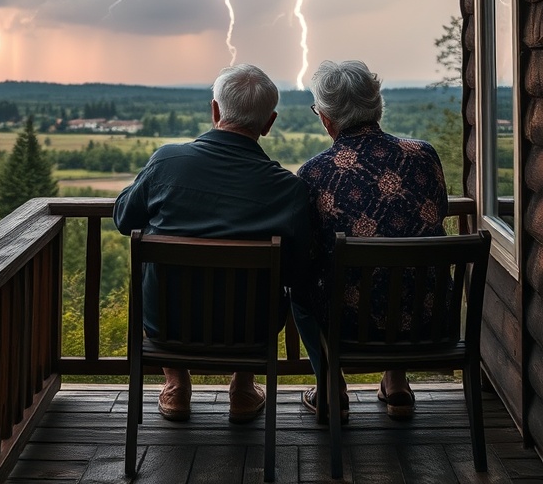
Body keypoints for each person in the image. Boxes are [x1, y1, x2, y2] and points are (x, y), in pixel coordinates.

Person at [114, 63, 310, 425]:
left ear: (215, 111)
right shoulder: (288, 189)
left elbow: (124, 219)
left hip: (168, 325)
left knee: (165, 286)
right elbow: (299, 272)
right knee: (260, 299)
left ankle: (176, 387)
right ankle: (243, 389)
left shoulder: (168, 161)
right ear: (269, 123)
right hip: (251, 331)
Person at [292, 59, 448, 422]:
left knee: (297, 287)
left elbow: (309, 247)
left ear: (326, 119)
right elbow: (436, 212)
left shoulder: (314, 172)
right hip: (426, 319)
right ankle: (396, 384)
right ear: (377, 107)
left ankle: (332, 387)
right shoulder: (424, 156)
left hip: (350, 323)